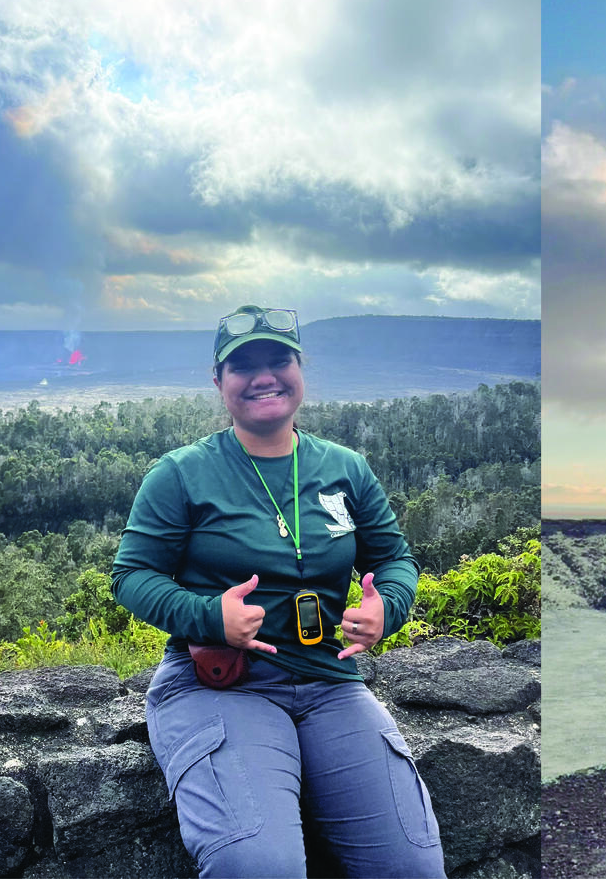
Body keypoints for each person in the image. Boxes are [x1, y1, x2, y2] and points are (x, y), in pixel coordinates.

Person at [111, 304, 446, 878]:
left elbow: (393, 558)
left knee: (410, 867)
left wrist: (384, 607)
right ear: (219, 383)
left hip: (331, 685)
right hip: (221, 686)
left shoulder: (345, 468)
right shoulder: (181, 473)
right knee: (257, 863)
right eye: (243, 366)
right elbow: (131, 576)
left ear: (300, 369)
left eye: (278, 359)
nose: (263, 375)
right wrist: (208, 616)